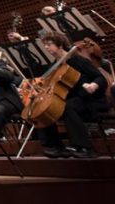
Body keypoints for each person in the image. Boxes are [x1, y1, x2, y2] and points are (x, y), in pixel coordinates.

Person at [36, 30, 108, 158]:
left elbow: (100, 78)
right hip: (71, 100)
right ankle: (55, 146)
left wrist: (93, 85)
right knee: (44, 109)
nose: (46, 47)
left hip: (89, 100)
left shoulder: (76, 60)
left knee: (67, 107)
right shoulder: (55, 65)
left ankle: (85, 148)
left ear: (59, 44)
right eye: (45, 45)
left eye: (49, 44)